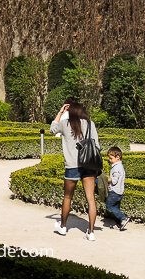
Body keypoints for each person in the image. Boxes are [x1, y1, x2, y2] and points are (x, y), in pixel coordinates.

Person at [50, 102, 100, 241]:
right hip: (88, 165)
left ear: (70, 111)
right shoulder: (90, 124)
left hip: (72, 165)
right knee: (91, 199)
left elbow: (52, 129)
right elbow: (97, 145)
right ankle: (90, 232)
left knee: (67, 197)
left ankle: (63, 227)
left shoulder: (65, 124)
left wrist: (60, 112)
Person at [105, 146, 128, 230]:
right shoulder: (120, 166)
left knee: (109, 206)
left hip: (114, 191)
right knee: (116, 207)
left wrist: (106, 179)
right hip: (119, 191)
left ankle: (123, 218)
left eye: (111, 158)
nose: (109, 160)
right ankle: (119, 223)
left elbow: (114, 181)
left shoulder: (116, 168)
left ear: (117, 157)